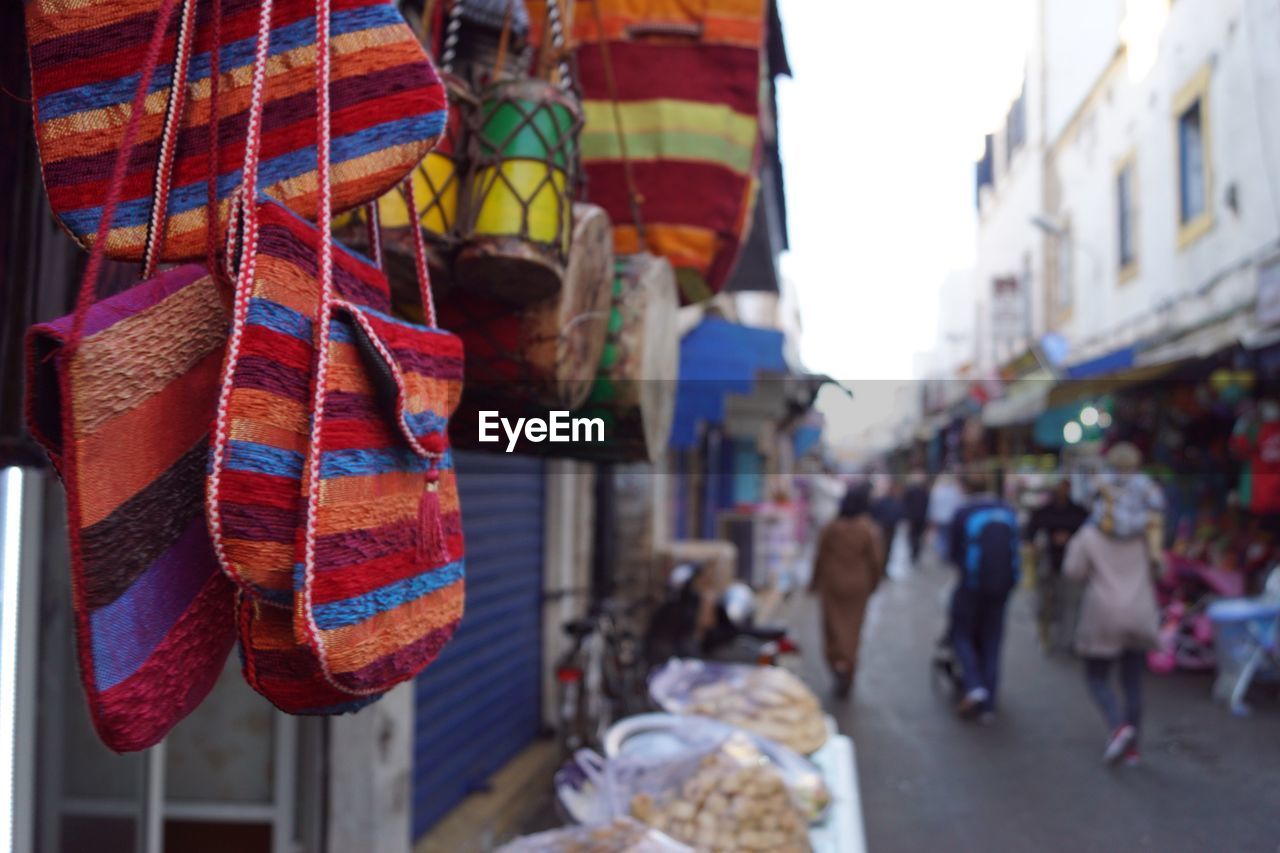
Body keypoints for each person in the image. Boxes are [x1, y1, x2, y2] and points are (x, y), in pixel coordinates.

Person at [1063, 442, 1163, 766]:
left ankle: (1118, 727)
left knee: (1096, 677)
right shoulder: (1147, 532)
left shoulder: (1091, 533)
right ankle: (1132, 748)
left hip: (1103, 613)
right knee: (1133, 681)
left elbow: (1073, 571)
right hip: (1139, 611)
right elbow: (1161, 566)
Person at [948, 470, 1020, 721]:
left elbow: (952, 552)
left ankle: (973, 684)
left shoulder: (963, 513)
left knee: (961, 633)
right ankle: (988, 703)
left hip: (970, 586)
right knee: (992, 640)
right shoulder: (1007, 510)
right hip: (1001, 587)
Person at [810, 485, 885, 698]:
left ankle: (837, 662)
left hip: (832, 583)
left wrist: (814, 583)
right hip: (858, 586)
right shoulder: (867, 528)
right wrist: (873, 583)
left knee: (833, 628)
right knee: (852, 630)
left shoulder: (832, 527)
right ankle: (847, 665)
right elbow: (876, 560)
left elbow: (820, 556)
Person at [1026, 479, 1089, 651]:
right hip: (1047, 563)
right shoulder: (1042, 512)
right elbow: (1029, 535)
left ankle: (1067, 640)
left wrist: (1070, 539)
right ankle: (1045, 638)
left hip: (1071, 566)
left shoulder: (1078, 512)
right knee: (1044, 605)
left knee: (1069, 604)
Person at [928, 471, 964, 565]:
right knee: (948, 536)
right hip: (951, 517)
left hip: (941, 517)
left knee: (942, 536)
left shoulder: (937, 490)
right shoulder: (955, 490)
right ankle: (947, 554)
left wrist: (932, 516)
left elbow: (933, 504)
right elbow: (959, 503)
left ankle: (943, 554)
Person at [870, 479, 905, 570]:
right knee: (881, 548)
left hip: (890, 528)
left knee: (887, 549)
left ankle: (883, 567)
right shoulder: (884, 501)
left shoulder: (897, 502)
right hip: (883, 527)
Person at [903, 471, 931, 565]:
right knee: (915, 536)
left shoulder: (922, 491)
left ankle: (915, 553)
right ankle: (915, 553)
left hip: (917, 517)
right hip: (917, 517)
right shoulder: (920, 491)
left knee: (915, 536)